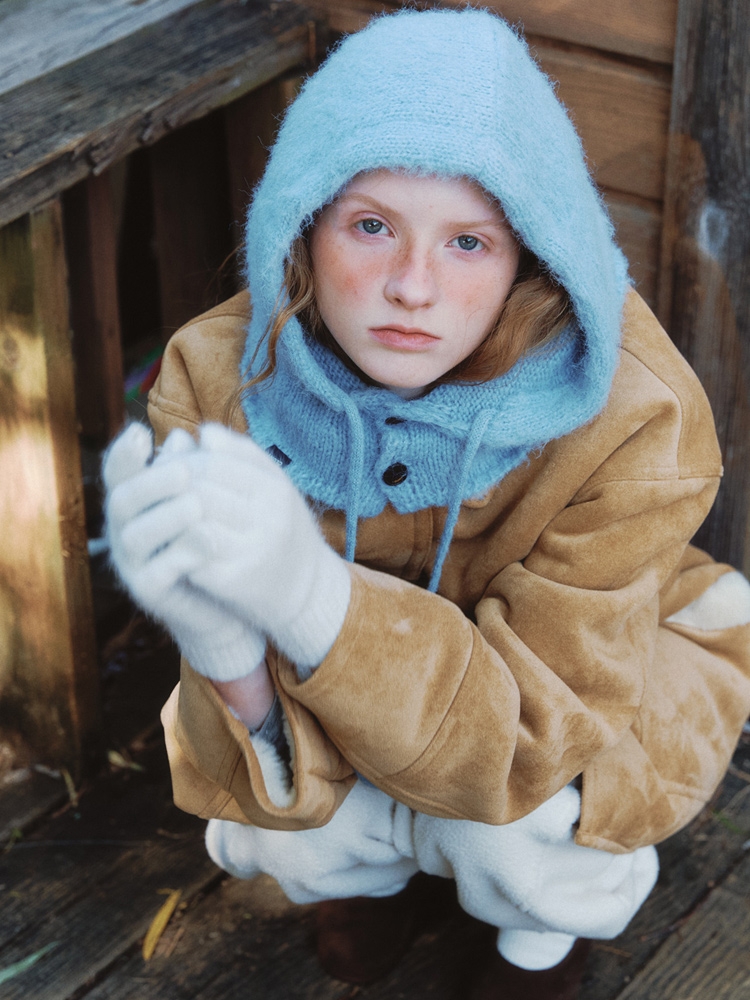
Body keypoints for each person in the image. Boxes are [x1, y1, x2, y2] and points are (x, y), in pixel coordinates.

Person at [103, 9, 750, 999]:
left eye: (467, 242)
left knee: (529, 837)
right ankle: (380, 871)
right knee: (269, 818)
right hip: (366, 713)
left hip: (578, 690)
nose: (412, 287)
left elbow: (533, 731)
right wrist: (222, 641)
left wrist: (307, 591)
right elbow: (242, 725)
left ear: (530, 253)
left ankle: (538, 944)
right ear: (303, 222)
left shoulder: (630, 412)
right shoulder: (217, 378)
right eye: (372, 225)